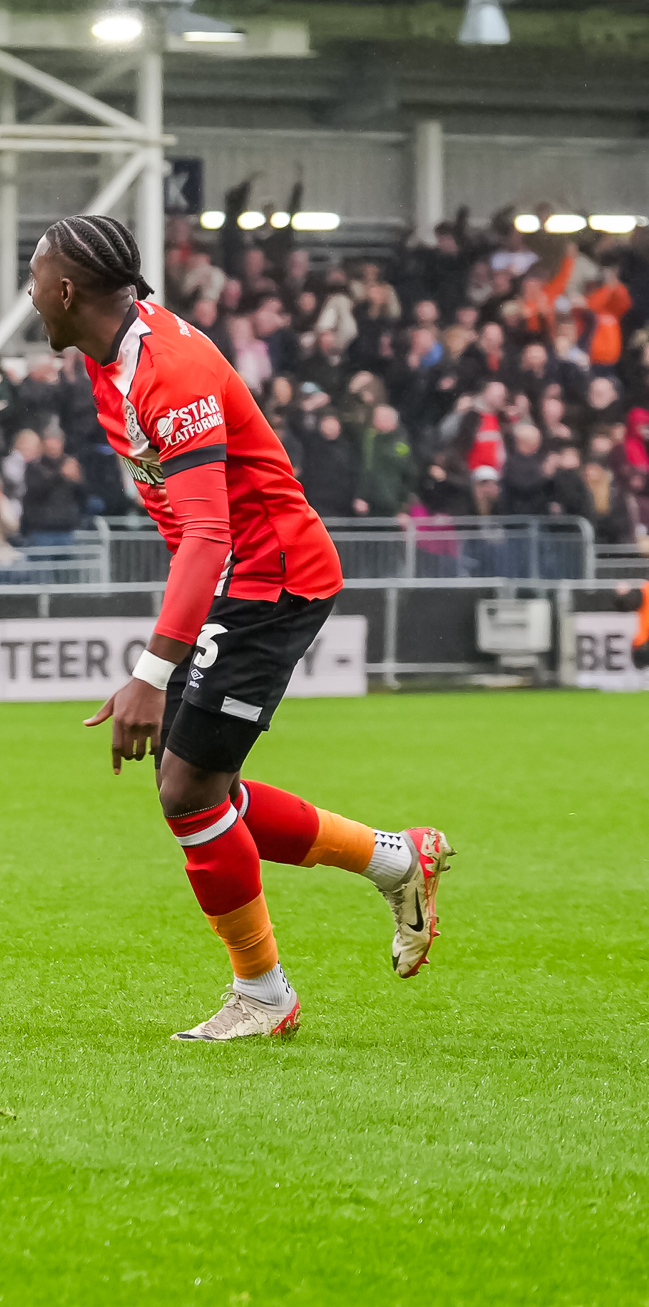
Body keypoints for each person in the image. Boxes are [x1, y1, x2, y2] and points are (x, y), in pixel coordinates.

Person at [29, 213, 451, 1044]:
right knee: (202, 790)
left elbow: (211, 532)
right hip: (241, 578)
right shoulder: (108, 355)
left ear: (68, 290)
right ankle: (395, 858)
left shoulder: (168, 370)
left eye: (36, 279)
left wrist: (152, 674)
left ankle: (263, 994)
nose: (32, 295)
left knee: (187, 790)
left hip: (271, 577)